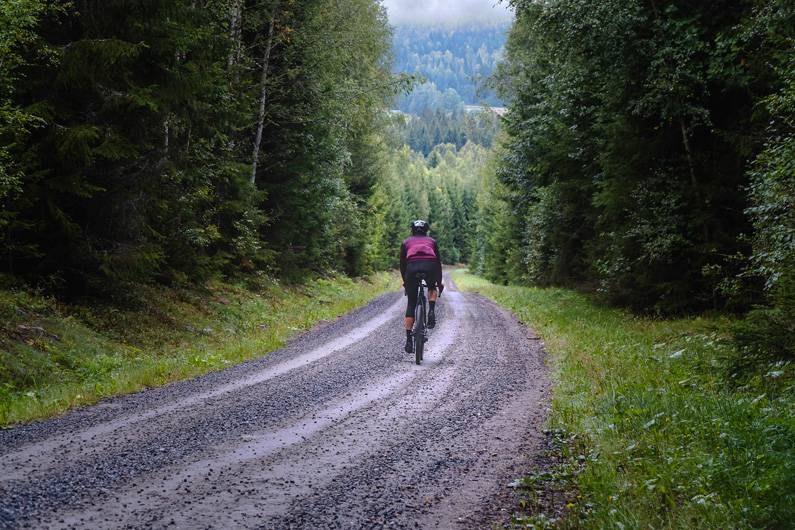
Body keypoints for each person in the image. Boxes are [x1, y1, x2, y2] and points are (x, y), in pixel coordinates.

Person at [400, 219, 443, 353]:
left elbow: (402, 265)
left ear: (412, 230)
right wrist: (439, 282)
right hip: (430, 267)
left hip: (412, 269)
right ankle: (431, 310)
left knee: (411, 303)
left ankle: (408, 340)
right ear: (426, 230)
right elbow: (438, 263)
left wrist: (406, 282)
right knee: (431, 287)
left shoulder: (406, 242)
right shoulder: (432, 242)